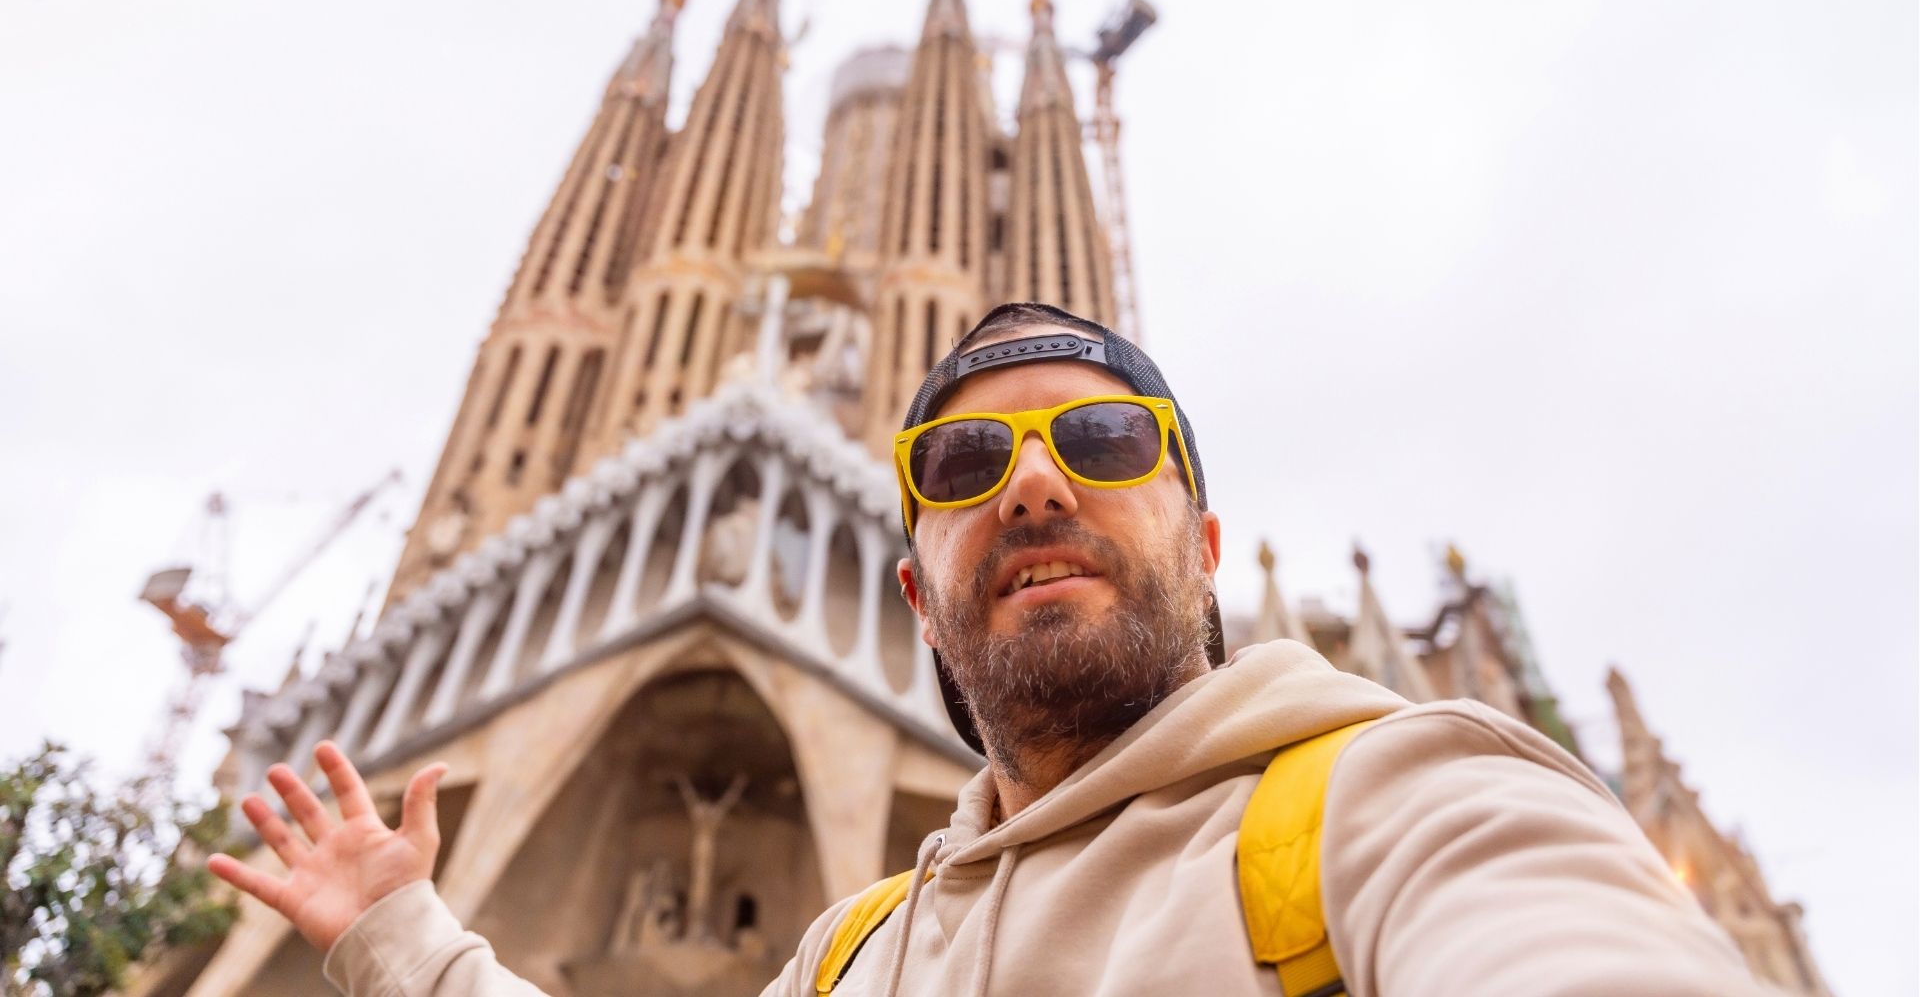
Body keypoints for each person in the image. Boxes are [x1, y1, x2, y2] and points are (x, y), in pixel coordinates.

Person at [210, 302, 1778, 995]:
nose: (1034, 479)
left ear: (1211, 550)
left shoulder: (1394, 803)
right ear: (919, 596)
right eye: (963, 469)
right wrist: (398, 934)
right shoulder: (856, 958)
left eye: (1103, 440)